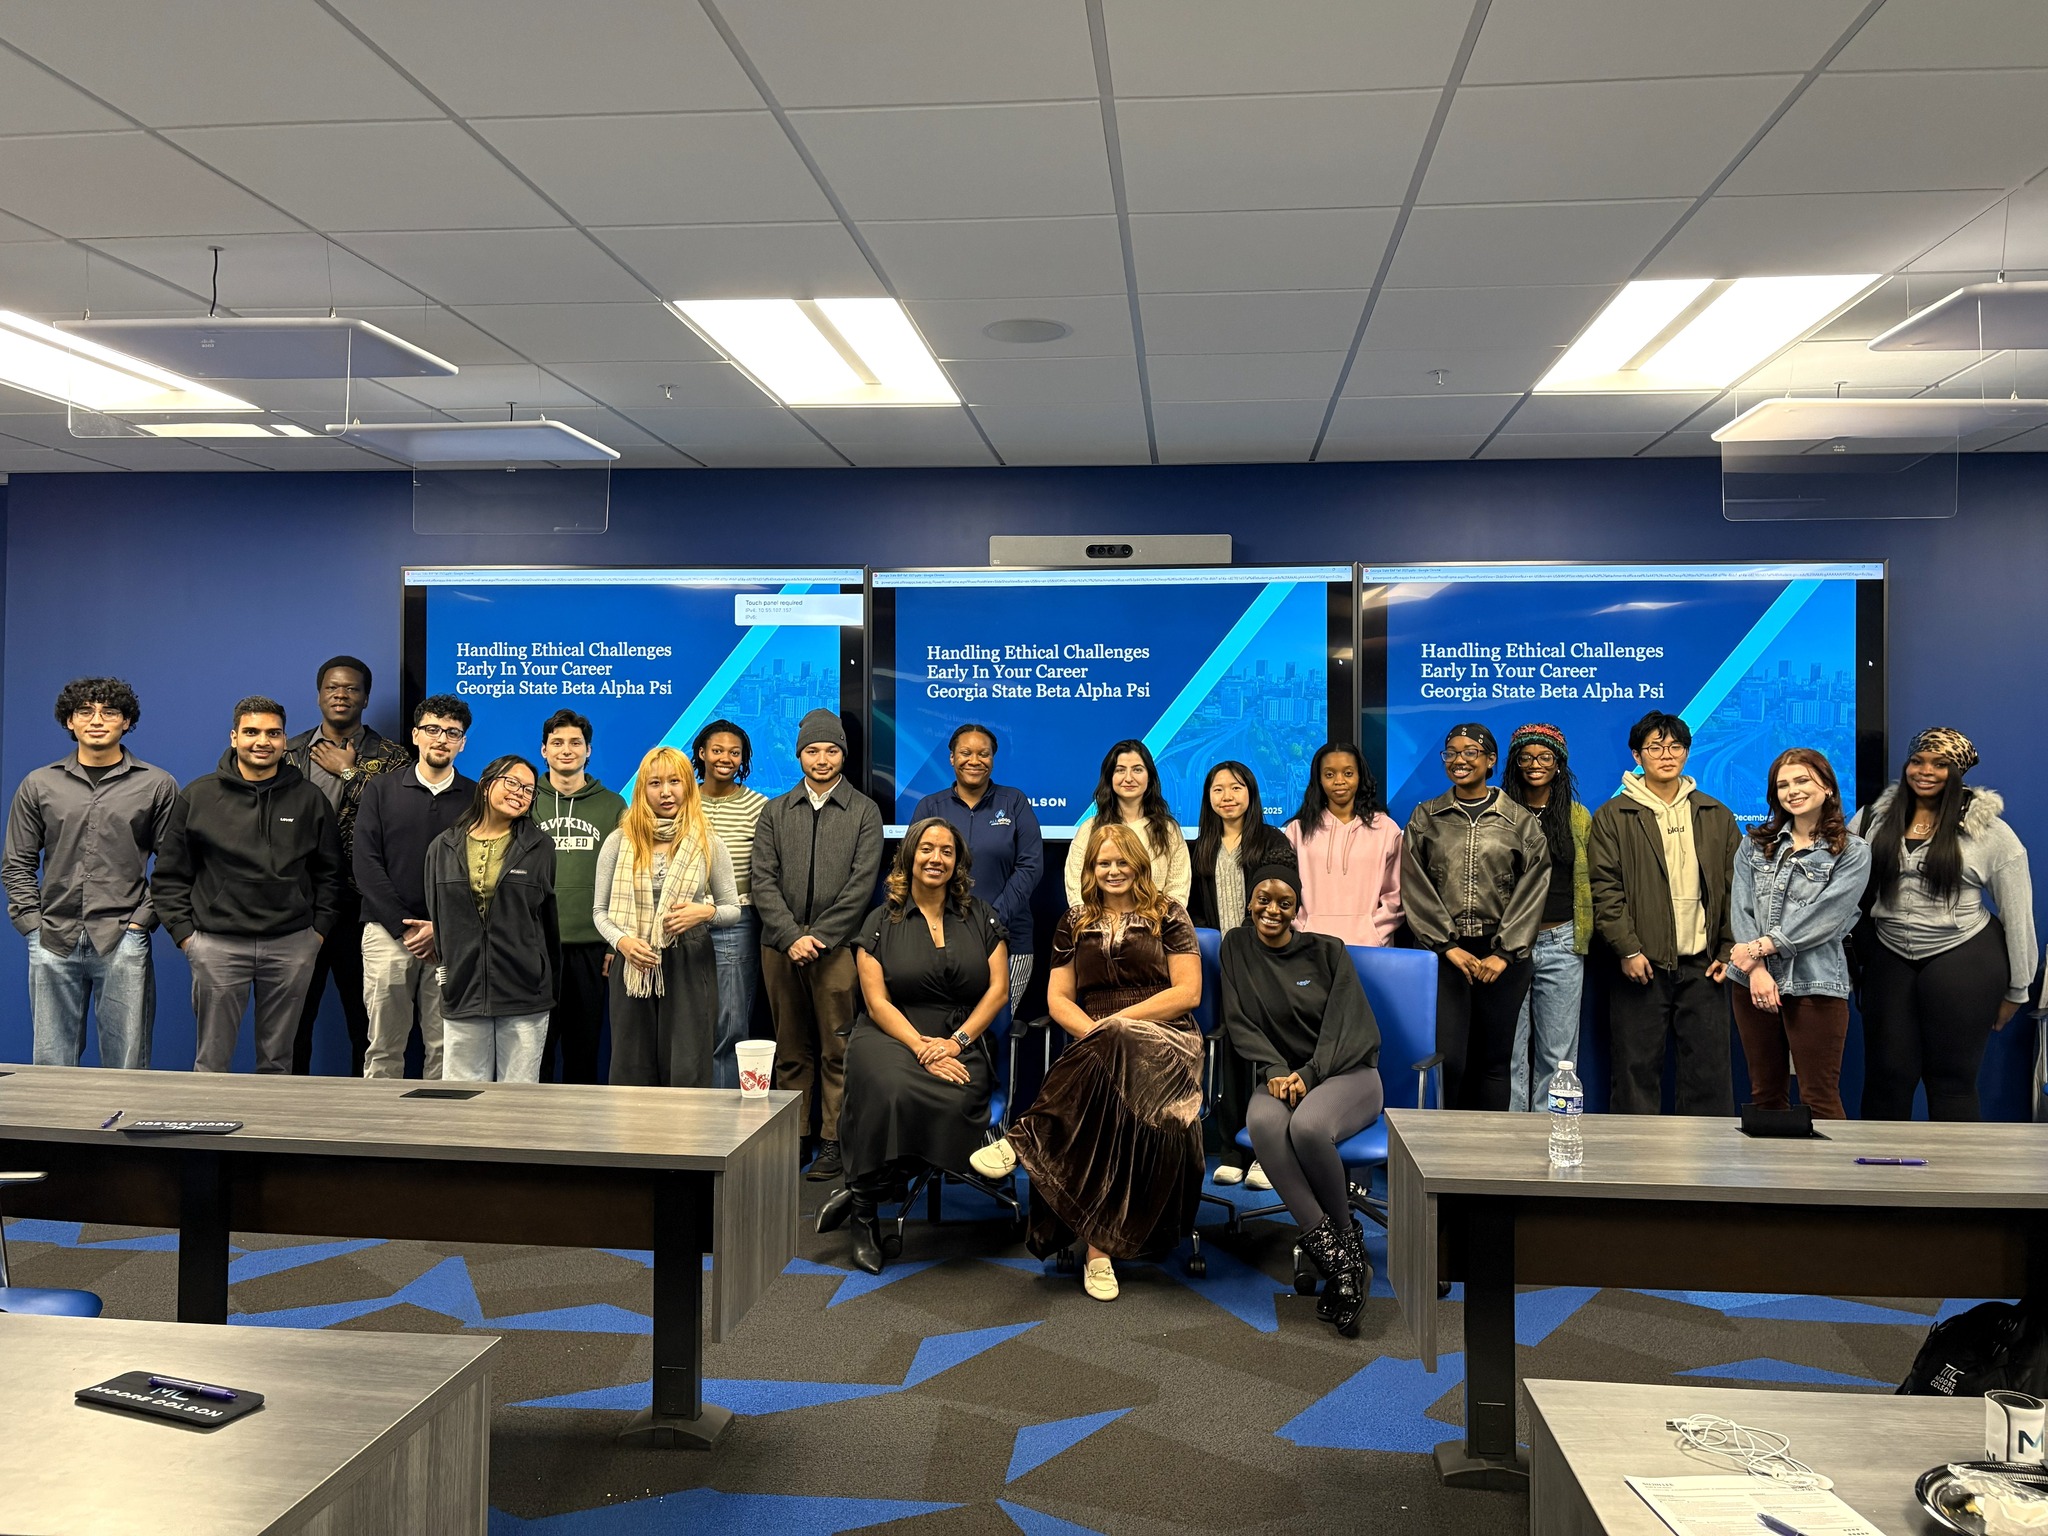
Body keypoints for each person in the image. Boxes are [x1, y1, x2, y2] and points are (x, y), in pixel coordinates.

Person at [973, 821, 1204, 1303]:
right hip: (1093, 1042)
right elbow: (1058, 1000)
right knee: (1108, 1106)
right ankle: (1099, 1251)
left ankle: (1023, 1139)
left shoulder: (1169, 915)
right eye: (1104, 863)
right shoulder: (1073, 921)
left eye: (1122, 861)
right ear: (1090, 869)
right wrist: (1098, 1034)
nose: (1113, 870)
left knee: (1114, 1044)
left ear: (1139, 864)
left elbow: (1187, 993)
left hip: (1166, 1041)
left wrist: (1115, 1025)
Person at [820, 816, 1009, 1274]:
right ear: (908, 855)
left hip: (961, 1035)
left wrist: (955, 1042)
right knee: (888, 1088)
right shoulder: (880, 920)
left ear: (958, 862)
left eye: (946, 851)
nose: (936, 858)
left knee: (956, 1094)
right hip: (890, 1032)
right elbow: (877, 1001)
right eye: (927, 849)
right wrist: (922, 1047)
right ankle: (865, 1217)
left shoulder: (981, 916)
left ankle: (864, 1185)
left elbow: (998, 991)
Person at [1220, 863, 1382, 1337]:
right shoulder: (1235, 946)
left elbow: (1351, 1029)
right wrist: (1274, 1071)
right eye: (1263, 899)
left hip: (1347, 1073)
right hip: (1278, 1077)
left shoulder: (1327, 951)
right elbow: (1240, 1021)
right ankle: (1346, 1266)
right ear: (1250, 901)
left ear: (1298, 908)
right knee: (1268, 1126)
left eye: (1284, 902)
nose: (1272, 910)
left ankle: (1344, 1254)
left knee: (1309, 1127)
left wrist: (1308, 1074)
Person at [1850, 728, 2036, 1121]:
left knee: (1951, 1081)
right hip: (1890, 954)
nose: (1926, 771)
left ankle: (1954, 1182)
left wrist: (2018, 990)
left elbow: (2018, 913)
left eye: (1940, 764)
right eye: (1918, 760)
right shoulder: (1873, 818)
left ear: (1959, 772)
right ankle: (1880, 1180)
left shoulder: (1991, 831)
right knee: (1887, 1078)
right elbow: (1838, 885)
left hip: (1963, 956)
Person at [153, 696, 342, 1074]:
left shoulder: (309, 799)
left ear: (285, 740)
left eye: (273, 733)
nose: (263, 741)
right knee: (211, 1062)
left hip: (291, 945)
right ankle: (204, 1130)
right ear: (234, 737)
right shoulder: (199, 795)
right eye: (252, 732)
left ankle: (269, 1128)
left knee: (278, 1062)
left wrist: (316, 933)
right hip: (218, 945)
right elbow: (170, 873)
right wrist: (187, 937)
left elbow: (330, 873)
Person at [4, 677, 178, 1069]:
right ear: (69, 721)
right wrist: (33, 927)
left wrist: (140, 924)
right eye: (85, 711)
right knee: (51, 1065)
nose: (97, 720)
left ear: (126, 721)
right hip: (53, 938)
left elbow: (173, 865)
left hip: (122, 938)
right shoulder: (39, 783)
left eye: (110, 711)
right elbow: (16, 862)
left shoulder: (157, 785)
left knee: (127, 1065)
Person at [754, 709, 885, 1183]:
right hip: (779, 948)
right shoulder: (774, 811)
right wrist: (791, 936)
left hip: (837, 949)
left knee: (837, 1047)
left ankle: (832, 1138)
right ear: (799, 754)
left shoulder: (865, 812)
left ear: (843, 755)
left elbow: (861, 885)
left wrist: (821, 936)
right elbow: (762, 881)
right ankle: (795, 1137)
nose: (822, 759)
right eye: (813, 750)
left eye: (831, 750)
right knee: (789, 1049)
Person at [1587, 711, 1741, 1116]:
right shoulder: (1612, 816)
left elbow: (1737, 891)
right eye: (1654, 747)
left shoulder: (1716, 815)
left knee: (1708, 1076)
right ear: (1637, 755)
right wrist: (1627, 949)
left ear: (1687, 753)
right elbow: (1605, 890)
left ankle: (1705, 1171)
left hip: (1705, 967)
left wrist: (1728, 950)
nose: (1665, 755)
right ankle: (1638, 1171)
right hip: (1641, 966)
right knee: (1635, 1072)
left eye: (1674, 746)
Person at [1401, 723, 1549, 1112]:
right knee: (1449, 1061)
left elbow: (1532, 890)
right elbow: (1414, 887)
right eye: (1451, 752)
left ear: (1490, 760)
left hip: (1502, 958)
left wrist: (1504, 953)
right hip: (1444, 956)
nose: (1459, 760)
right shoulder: (1426, 817)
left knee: (1494, 1062)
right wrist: (1448, 946)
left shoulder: (1519, 821)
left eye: (1470, 752)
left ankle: (1489, 1157)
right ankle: (1446, 1159)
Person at [1727, 749, 1870, 1120]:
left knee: (1819, 1098)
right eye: (1783, 784)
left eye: (1802, 780)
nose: (1793, 790)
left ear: (1826, 785)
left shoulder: (1852, 851)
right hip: (1751, 984)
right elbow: (1740, 909)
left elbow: (1828, 916)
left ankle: (1828, 1180)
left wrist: (1760, 947)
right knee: (1765, 1097)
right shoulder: (1754, 844)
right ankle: (1774, 1179)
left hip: (1816, 982)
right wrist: (1755, 970)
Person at [285, 655, 408, 1077]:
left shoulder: (393, 757)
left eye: (352, 688)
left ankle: (363, 1125)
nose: (342, 695)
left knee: (368, 1023)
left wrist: (350, 771)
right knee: (293, 1022)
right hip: (300, 906)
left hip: (362, 906)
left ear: (366, 698)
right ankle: (286, 1119)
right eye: (333, 687)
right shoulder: (290, 752)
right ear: (319, 694)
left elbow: (399, 813)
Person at [593, 745, 738, 1088]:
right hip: (634, 960)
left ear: (688, 786)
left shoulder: (708, 842)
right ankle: (634, 1140)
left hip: (689, 959)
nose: (666, 792)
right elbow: (599, 912)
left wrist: (705, 912)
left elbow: (732, 909)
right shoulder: (618, 841)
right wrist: (623, 943)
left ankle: (687, 1141)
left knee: (688, 1063)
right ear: (642, 790)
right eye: (655, 783)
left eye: (675, 781)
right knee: (632, 1064)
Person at [353, 695, 475, 1080]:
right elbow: (366, 864)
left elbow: (481, 873)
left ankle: (440, 1135)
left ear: (462, 742)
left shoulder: (476, 798)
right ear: (416, 735)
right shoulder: (381, 789)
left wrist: (442, 928)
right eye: (433, 730)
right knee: (384, 1046)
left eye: (452, 733)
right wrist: (406, 929)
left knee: (445, 1047)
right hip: (387, 935)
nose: (441, 739)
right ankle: (379, 1133)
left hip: (450, 939)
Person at [1188, 759, 1295, 1189]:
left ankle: (1266, 1152)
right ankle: (1233, 1147)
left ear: (1251, 792)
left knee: (1268, 1053)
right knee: (1230, 1051)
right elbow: (1192, 910)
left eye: (1235, 787)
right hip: (1218, 964)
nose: (1227, 796)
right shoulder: (1199, 846)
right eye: (1217, 789)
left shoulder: (1272, 841)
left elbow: (1283, 901)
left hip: (1266, 962)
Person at [423, 755, 560, 1083]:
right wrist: (449, 972)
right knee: (461, 1100)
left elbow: (546, 920)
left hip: (524, 991)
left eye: (528, 790)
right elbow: (438, 919)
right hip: (463, 989)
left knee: (518, 1101)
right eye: (511, 782)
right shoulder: (442, 847)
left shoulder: (540, 847)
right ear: (486, 786)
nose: (519, 793)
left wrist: (541, 974)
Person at [911, 723, 1043, 1015]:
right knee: (945, 1026)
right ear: (951, 758)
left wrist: (991, 920)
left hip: (1009, 938)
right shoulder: (930, 807)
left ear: (993, 759)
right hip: (940, 939)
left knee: (995, 1027)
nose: (974, 761)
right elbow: (914, 867)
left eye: (983, 754)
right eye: (965, 753)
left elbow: (1030, 866)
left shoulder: (1014, 802)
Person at [1499, 724, 1592, 1113]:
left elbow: (1589, 879)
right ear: (1515, 763)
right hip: (1507, 947)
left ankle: (1552, 1138)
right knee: (1509, 1052)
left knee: (1558, 1057)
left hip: (1562, 942)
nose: (1535, 765)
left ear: (1559, 764)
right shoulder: (1497, 812)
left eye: (1545, 757)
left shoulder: (1577, 816)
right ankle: (1511, 1143)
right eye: (1526, 757)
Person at [534, 709, 625, 1085]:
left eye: (575, 743)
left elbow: (626, 879)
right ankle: (532, 1134)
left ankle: (580, 1138)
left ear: (588, 751)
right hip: (535, 946)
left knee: (583, 1051)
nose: (566, 750)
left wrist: (614, 944)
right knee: (535, 1052)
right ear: (543, 750)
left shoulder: (614, 805)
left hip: (592, 948)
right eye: (557, 743)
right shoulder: (525, 802)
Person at [695, 719, 770, 1090]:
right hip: (682, 922)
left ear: (744, 759)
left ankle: (722, 1118)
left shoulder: (760, 806)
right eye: (718, 750)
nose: (726, 758)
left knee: (730, 1022)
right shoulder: (681, 800)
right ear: (702, 753)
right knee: (687, 1021)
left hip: (736, 921)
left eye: (735, 752)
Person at [1284, 742, 1402, 947]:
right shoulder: (1297, 830)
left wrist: (1373, 934)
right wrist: (1302, 930)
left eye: (1348, 773)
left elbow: (1396, 896)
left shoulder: (1385, 829)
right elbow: (1285, 892)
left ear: (1360, 777)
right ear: (1319, 780)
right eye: (1329, 775)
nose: (1339, 781)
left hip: (1371, 950)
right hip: (1309, 949)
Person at [1062, 739, 1190, 908]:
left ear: (1150, 777)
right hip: (1102, 929)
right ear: (1110, 777)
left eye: (1137, 770)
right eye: (1120, 770)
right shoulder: (1090, 829)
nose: (1128, 778)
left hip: (1157, 928)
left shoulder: (1168, 830)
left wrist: (1158, 925)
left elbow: (1178, 889)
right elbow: (1076, 888)